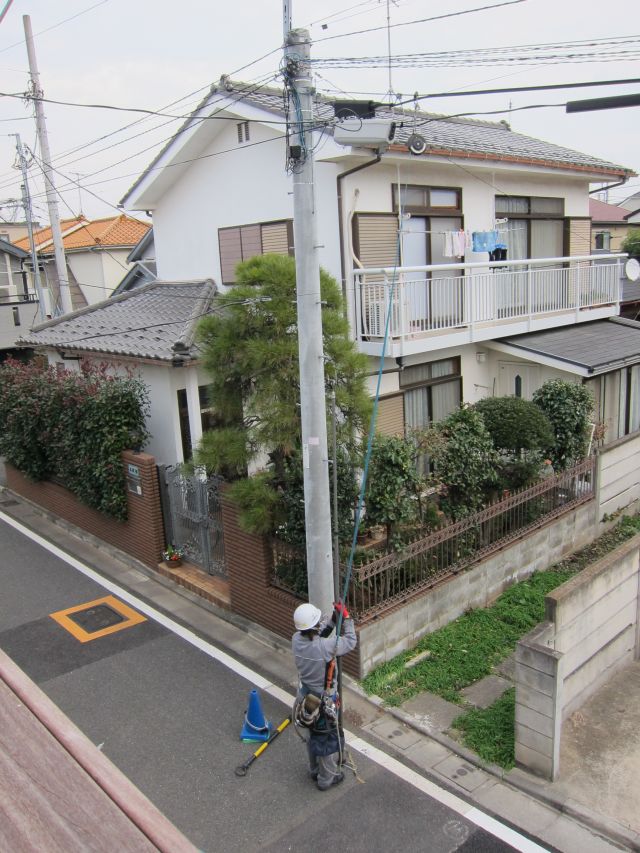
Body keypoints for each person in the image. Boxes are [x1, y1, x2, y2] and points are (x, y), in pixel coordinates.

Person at [291, 600, 357, 791]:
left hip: (305, 697)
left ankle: (314, 769)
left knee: (313, 734)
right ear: (315, 625)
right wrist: (347, 619)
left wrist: (334, 621)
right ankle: (326, 778)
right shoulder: (326, 647)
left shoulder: (296, 639)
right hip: (324, 701)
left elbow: (318, 636)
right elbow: (350, 641)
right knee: (326, 737)